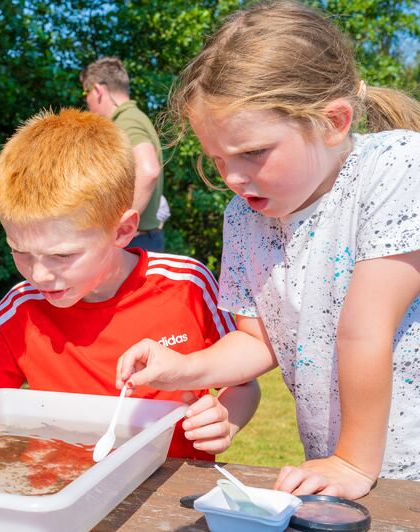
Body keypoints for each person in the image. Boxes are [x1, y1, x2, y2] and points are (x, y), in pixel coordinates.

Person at [117, 0, 420, 498]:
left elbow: (364, 329)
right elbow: (259, 341)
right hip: (343, 467)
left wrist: (351, 460)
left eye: (253, 152)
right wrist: (186, 367)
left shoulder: (395, 169)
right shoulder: (246, 216)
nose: (233, 178)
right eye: (216, 158)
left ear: (334, 121)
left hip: (393, 461)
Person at [0, 109, 260, 460]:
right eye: (20, 252)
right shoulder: (21, 311)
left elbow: (243, 384)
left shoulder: (186, 286)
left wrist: (225, 418)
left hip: (167, 495)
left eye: (62, 256)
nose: (40, 275)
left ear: (123, 230)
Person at [80, 57, 167, 251]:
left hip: (134, 243)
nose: (86, 101)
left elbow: (148, 170)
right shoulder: (135, 117)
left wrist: (117, 227)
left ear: (98, 90)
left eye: (85, 93)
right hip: (144, 240)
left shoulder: (125, 122)